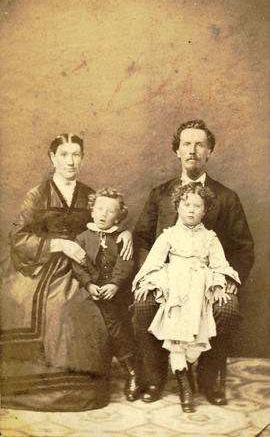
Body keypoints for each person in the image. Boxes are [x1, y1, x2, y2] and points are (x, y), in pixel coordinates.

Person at [0, 134, 132, 412]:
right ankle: (48, 385)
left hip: (85, 262)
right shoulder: (37, 194)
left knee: (86, 306)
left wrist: (127, 233)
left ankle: (85, 386)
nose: (70, 161)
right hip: (43, 262)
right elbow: (19, 236)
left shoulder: (90, 194)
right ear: (52, 158)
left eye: (76, 155)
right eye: (64, 155)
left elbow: (109, 221)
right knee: (56, 305)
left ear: (82, 159)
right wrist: (58, 244)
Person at [133, 119, 254, 405]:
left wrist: (226, 281)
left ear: (209, 151)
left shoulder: (226, 197)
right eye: (186, 144)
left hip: (208, 280)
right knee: (143, 304)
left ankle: (208, 380)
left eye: (200, 144)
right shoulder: (160, 194)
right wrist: (150, 278)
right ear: (177, 151)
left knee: (227, 310)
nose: (193, 150)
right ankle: (155, 379)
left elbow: (243, 248)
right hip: (166, 277)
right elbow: (142, 239)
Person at [132, 182, 240, 412]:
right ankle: (185, 388)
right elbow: (154, 262)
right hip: (176, 289)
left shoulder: (210, 238)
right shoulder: (168, 235)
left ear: (205, 210)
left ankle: (190, 368)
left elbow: (220, 265)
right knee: (176, 337)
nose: (191, 210)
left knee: (195, 341)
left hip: (200, 287)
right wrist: (148, 282)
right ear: (177, 207)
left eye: (197, 206)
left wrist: (218, 284)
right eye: (186, 204)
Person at [72, 188, 140, 402]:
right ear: (91, 211)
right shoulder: (82, 237)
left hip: (115, 293)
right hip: (90, 291)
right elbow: (78, 265)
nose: (103, 214)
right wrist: (89, 284)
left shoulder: (121, 237)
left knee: (115, 327)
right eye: (99, 209)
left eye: (110, 211)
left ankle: (132, 373)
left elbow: (126, 263)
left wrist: (115, 284)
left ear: (119, 215)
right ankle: (90, 375)